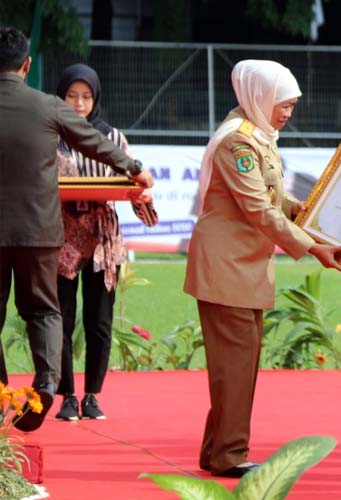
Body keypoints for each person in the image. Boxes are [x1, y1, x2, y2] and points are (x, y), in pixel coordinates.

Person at [183, 59, 341, 478]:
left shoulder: (259, 135)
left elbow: (274, 198)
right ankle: (230, 455)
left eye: (291, 105)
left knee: (237, 366)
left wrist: (312, 210)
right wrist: (312, 245)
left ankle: (217, 451)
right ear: (260, 97)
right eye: (283, 104)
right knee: (236, 366)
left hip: (243, 268)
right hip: (227, 269)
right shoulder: (237, 143)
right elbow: (258, 208)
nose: (287, 113)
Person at [0, 26, 153, 433]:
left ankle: (0, 393)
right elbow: (92, 141)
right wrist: (134, 168)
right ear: (27, 65)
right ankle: (47, 382)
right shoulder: (48, 106)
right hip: (41, 231)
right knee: (45, 311)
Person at [52, 63, 158, 422]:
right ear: (60, 96)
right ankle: (65, 394)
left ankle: (92, 395)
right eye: (71, 96)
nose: (79, 104)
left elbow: (132, 184)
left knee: (99, 319)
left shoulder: (114, 139)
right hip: (61, 237)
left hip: (103, 238)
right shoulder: (50, 136)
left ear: (96, 98)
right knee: (61, 318)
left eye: (86, 96)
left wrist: (142, 195)